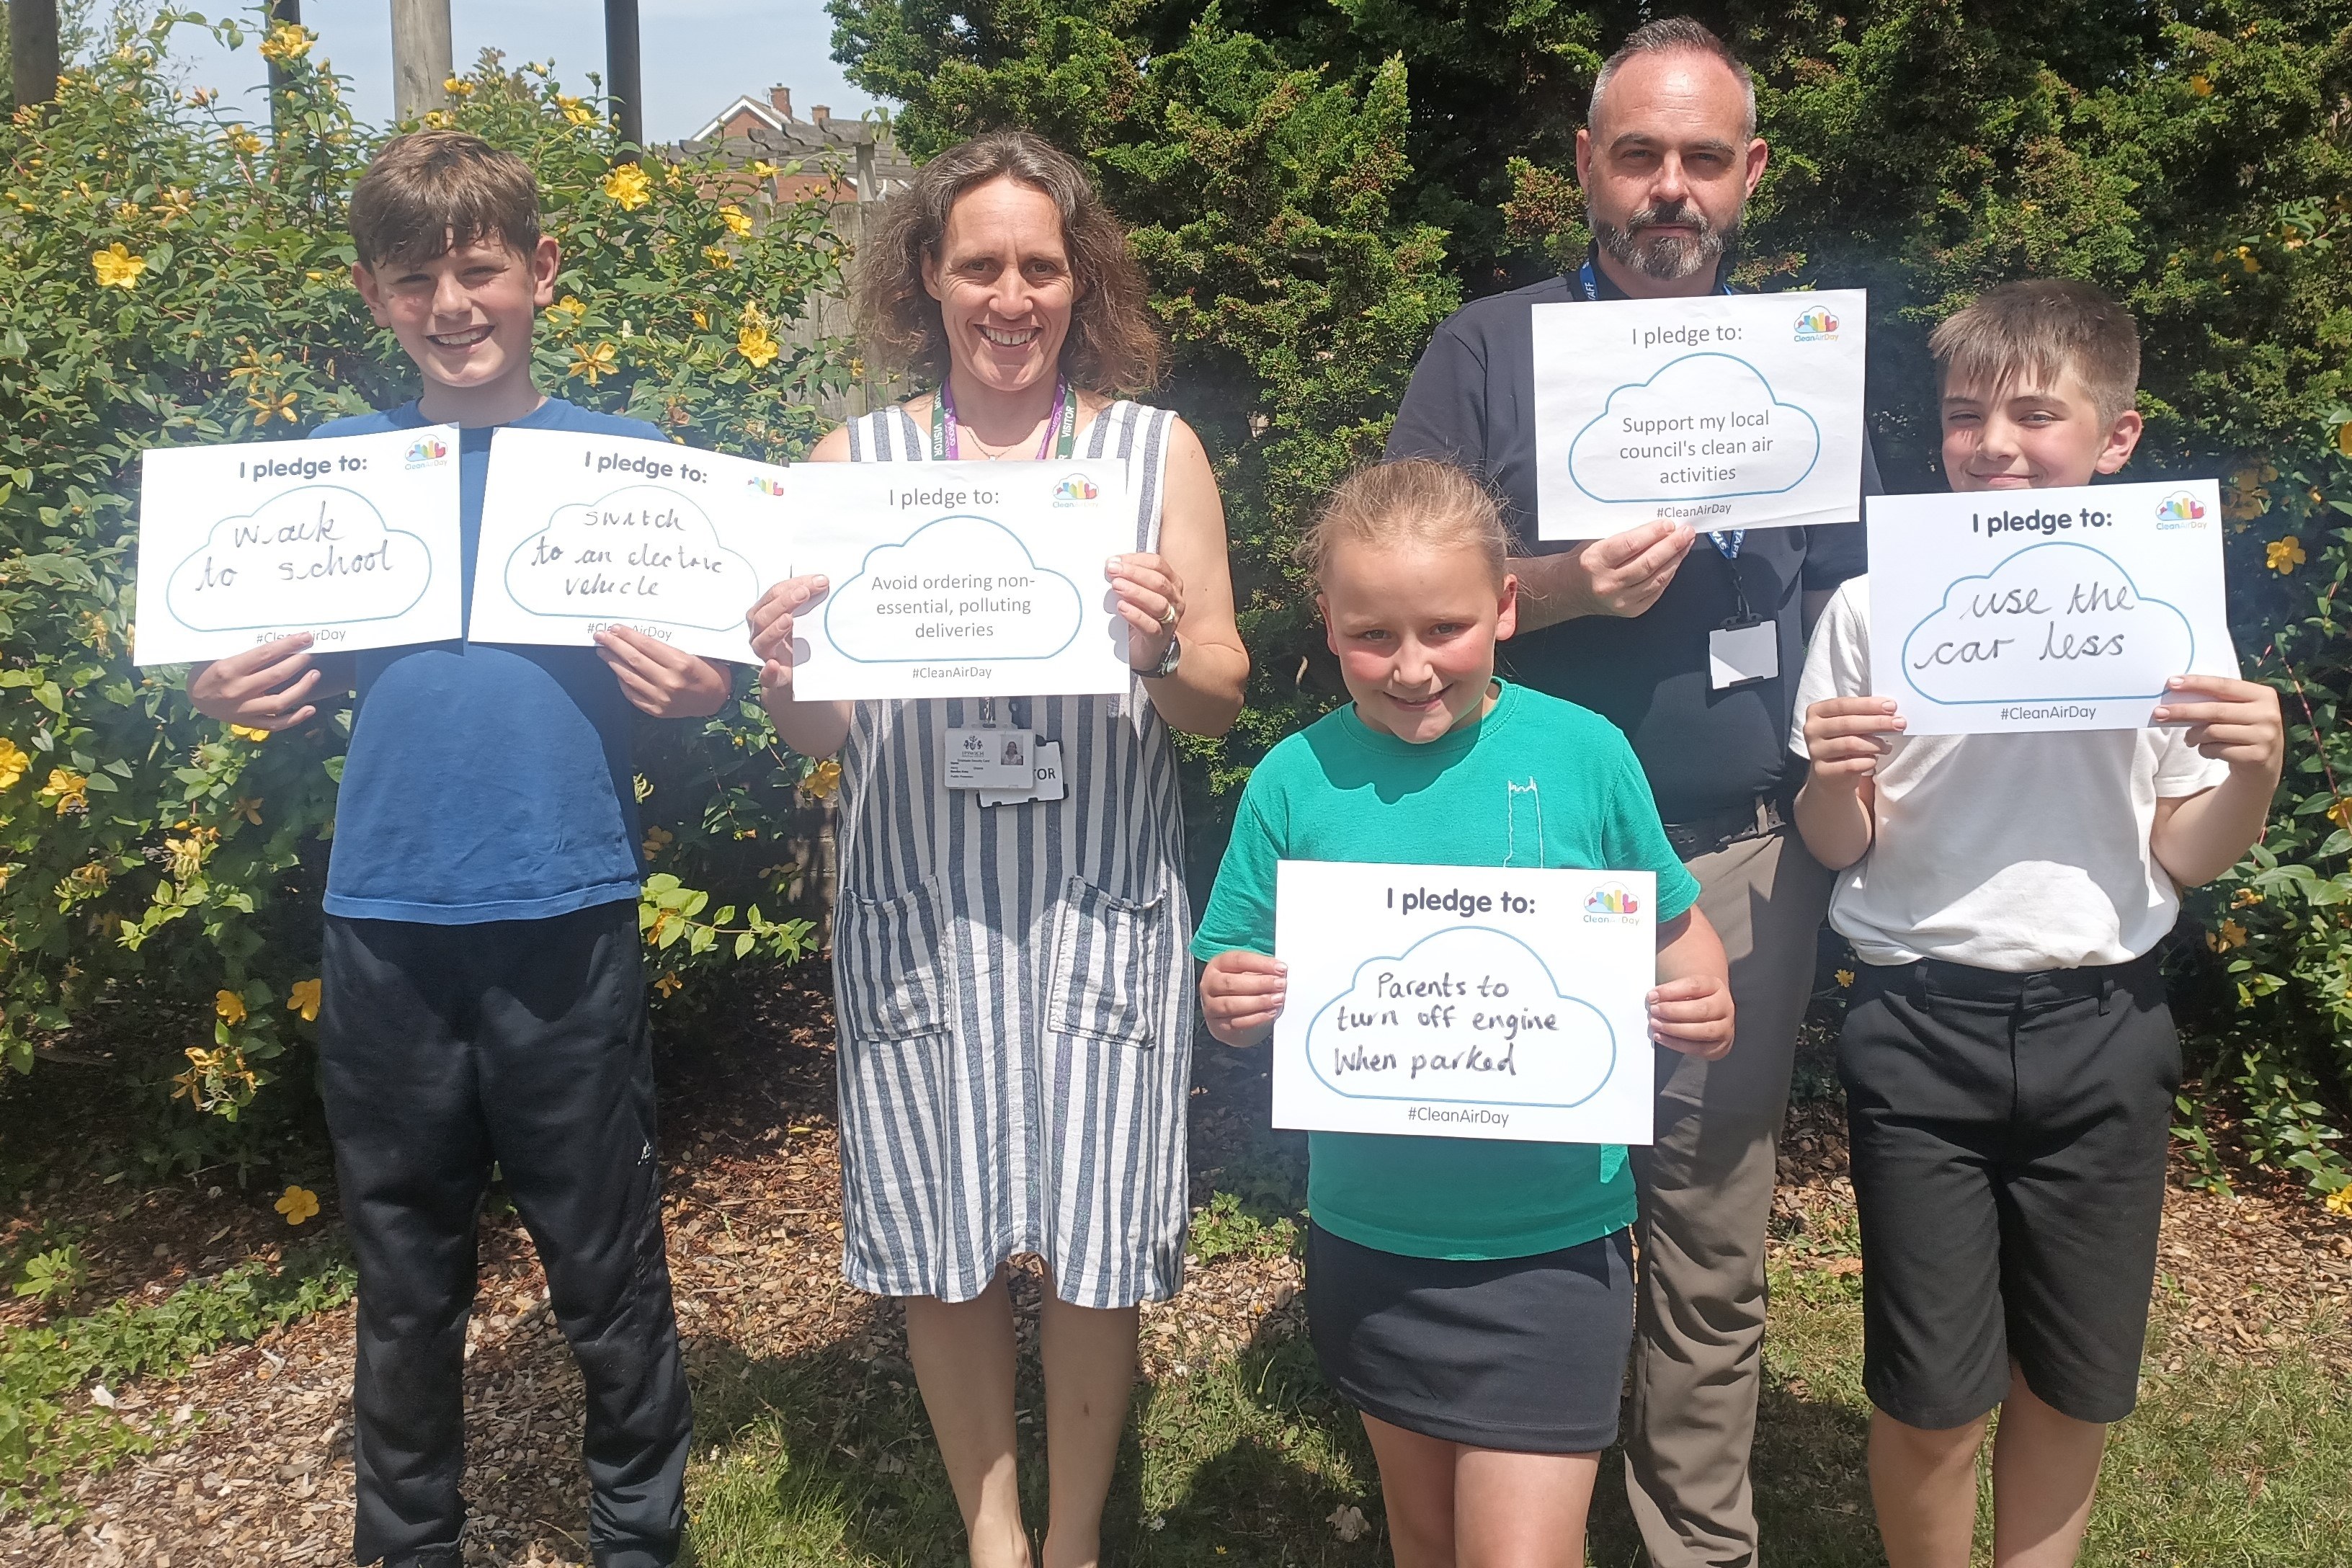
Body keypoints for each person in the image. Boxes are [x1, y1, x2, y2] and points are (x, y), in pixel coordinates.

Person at [184, 131, 723, 1568]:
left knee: (606, 1266)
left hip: (568, 911)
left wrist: (704, 694)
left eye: (479, 267)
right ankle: (406, 1543)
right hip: (388, 924)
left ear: (540, 271)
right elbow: (229, 648)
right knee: (404, 1272)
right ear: (373, 292)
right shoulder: (333, 471)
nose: (453, 301)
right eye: (417, 276)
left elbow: (706, 682)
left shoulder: (631, 469)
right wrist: (217, 688)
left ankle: (639, 1539)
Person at [1384, 19, 1882, 1562]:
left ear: (1750, 178)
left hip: (1737, 861)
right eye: (1642, 154)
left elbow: (1853, 606)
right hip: (1523, 860)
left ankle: (1694, 1541)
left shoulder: (1805, 369)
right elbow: (1396, 585)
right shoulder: (1486, 349)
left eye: (1704, 160)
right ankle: (1518, 1517)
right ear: (1586, 167)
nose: (1673, 188)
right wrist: (1559, 584)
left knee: (1710, 1230)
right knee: (1515, 1210)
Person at [744, 130, 1250, 1568]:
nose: (1011, 296)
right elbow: (821, 733)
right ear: (930, 275)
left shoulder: (1154, 454)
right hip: (925, 905)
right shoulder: (857, 465)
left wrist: (1159, 644)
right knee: (939, 1220)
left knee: (1097, 1226)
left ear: (1078, 283)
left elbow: (1217, 696)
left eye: (1040, 265)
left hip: (1100, 905)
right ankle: (994, 1529)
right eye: (982, 265)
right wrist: (783, 671)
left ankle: (1077, 1531)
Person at [1791, 280, 2283, 1567]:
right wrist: (1829, 777)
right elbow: (1841, 844)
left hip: (2105, 1026)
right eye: (1965, 419)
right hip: (1918, 1024)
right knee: (1934, 1393)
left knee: (2075, 1383)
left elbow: (2182, 854)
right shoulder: (1866, 610)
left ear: (2115, 440)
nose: (1993, 445)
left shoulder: (2169, 607)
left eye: (2033, 415)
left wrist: (2255, 773)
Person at [1190, 458, 1734, 1568]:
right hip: (1373, 1242)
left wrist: (1703, 996)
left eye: (1444, 628)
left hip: (1553, 1243)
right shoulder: (1294, 780)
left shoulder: (1586, 755)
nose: (1410, 667)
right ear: (1328, 625)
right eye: (1371, 636)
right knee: (1425, 1541)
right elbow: (1229, 969)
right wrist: (1231, 997)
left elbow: (1680, 934)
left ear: (1506, 608)